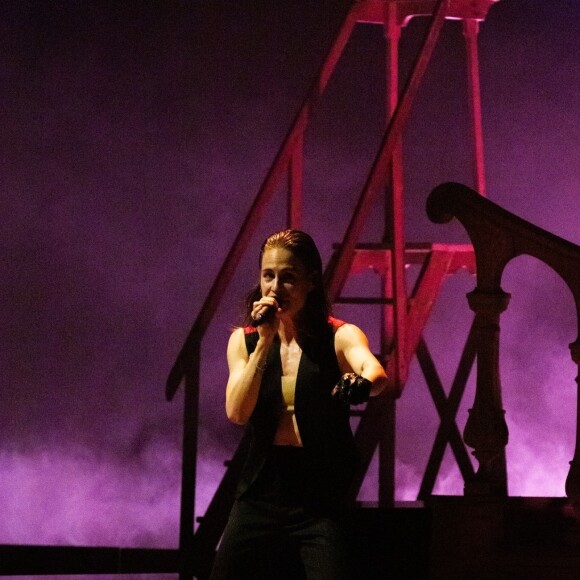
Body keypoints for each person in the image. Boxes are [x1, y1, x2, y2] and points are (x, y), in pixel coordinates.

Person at [209, 229, 391, 580]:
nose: (275, 288)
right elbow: (236, 412)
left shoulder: (340, 335)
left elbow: (376, 372)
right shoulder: (243, 342)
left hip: (318, 495)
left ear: (311, 281)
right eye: (268, 276)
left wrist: (361, 384)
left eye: (288, 278)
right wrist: (264, 343)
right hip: (262, 489)